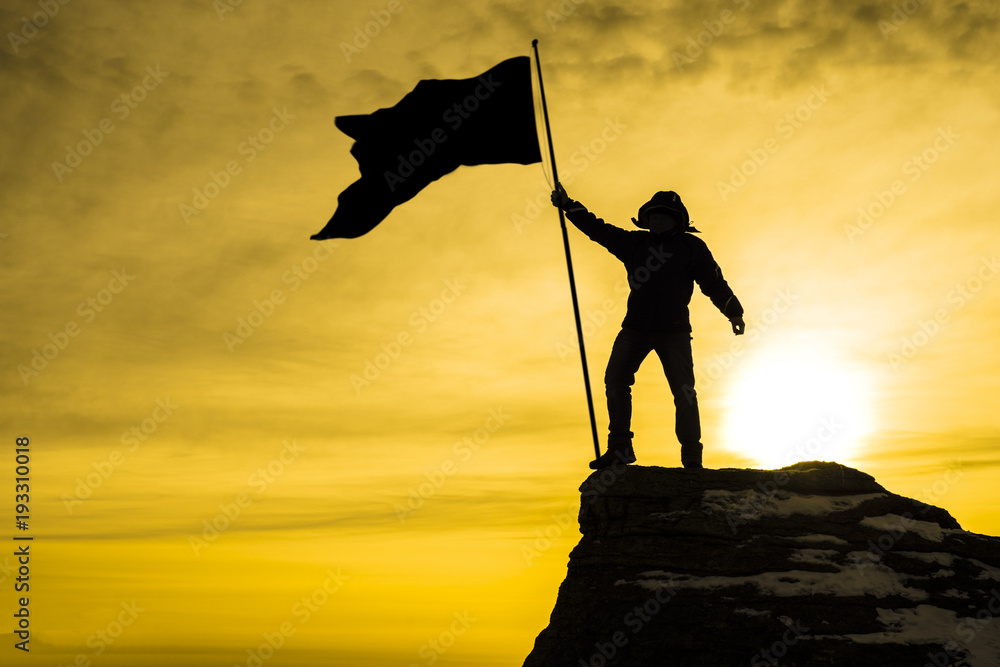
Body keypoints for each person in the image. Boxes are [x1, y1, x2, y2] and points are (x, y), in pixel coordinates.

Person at [551, 185, 745, 470]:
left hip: (674, 331)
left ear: (678, 220)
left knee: (684, 392)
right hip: (635, 329)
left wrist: (733, 312)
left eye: (664, 216)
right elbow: (599, 229)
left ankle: (691, 455)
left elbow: (713, 283)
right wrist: (569, 205)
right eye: (653, 215)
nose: (657, 220)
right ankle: (619, 448)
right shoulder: (635, 244)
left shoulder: (693, 248)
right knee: (616, 381)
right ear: (646, 219)